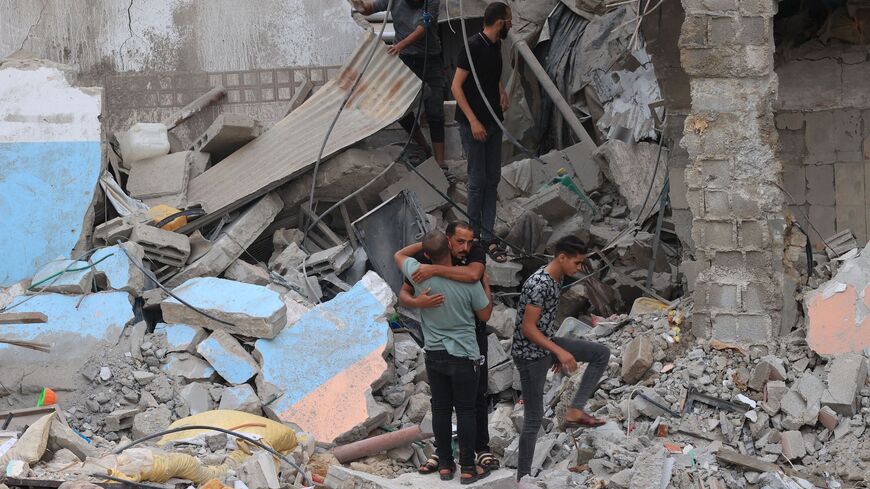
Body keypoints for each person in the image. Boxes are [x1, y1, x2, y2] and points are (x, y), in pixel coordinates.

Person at [395, 222, 500, 475]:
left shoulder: (418, 272)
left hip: (434, 353)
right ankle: (467, 467)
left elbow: (398, 255)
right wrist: (486, 286)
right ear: (449, 243)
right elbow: (484, 314)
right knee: (466, 409)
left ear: (428, 254)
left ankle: (444, 465)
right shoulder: (469, 283)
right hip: (464, 353)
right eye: (460, 242)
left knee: (441, 408)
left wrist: (430, 245)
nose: (466, 247)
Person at [511, 235, 610, 481]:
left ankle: (575, 410)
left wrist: (554, 349)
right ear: (562, 257)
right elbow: (529, 328)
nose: (578, 268)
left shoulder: (557, 278)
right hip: (529, 354)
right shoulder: (539, 284)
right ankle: (523, 478)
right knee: (534, 418)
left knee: (600, 353)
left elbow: (543, 325)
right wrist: (559, 351)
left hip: (545, 346)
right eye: (576, 263)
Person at [353, 0, 449, 171]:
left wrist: (399, 46)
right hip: (406, 59)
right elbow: (367, 10)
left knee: (435, 112)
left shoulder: (432, 2)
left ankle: (441, 164)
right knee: (400, 109)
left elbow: (423, 27)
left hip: (430, 59)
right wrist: (357, 3)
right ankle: (424, 146)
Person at [451, 1, 512, 262]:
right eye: (509, 20)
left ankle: (487, 238)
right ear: (500, 21)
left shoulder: (497, 44)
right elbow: (456, 87)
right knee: (477, 182)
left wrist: (501, 90)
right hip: (473, 124)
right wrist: (473, 121)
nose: (511, 24)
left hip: (493, 121)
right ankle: (471, 236)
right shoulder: (473, 46)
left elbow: (491, 74)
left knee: (492, 179)